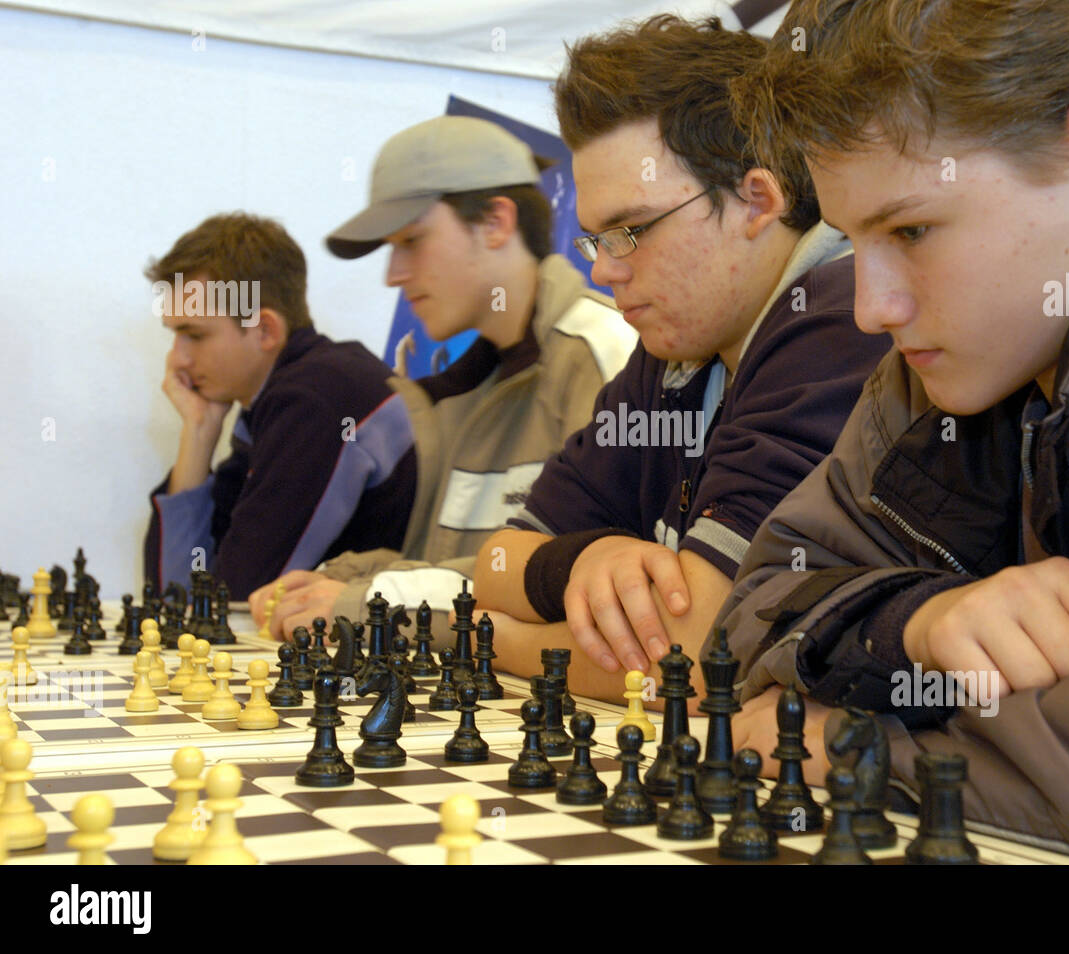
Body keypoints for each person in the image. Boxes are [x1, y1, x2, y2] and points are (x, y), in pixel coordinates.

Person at [718, 0, 1069, 863]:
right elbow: (748, 619)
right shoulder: (946, 373)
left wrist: (854, 746)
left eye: (912, 229)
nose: (874, 308)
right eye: (852, 240)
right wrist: (916, 625)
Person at [470, 16, 892, 702]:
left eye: (631, 232)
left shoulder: (839, 320)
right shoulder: (676, 342)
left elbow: (693, 661)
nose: (604, 272)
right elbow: (496, 559)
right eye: (595, 240)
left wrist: (495, 639)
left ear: (757, 201)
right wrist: (586, 560)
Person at [249, 116, 636, 638]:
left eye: (412, 241)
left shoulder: (608, 354)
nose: (393, 274)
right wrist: (338, 578)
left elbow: (575, 583)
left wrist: (362, 601)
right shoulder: (453, 397)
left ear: (497, 223)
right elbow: (454, 571)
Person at [145, 213, 417, 601]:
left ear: (266, 330)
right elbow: (177, 599)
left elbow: (233, 599)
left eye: (194, 335)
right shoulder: (275, 398)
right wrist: (199, 432)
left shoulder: (319, 398)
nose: (178, 360)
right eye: (175, 336)